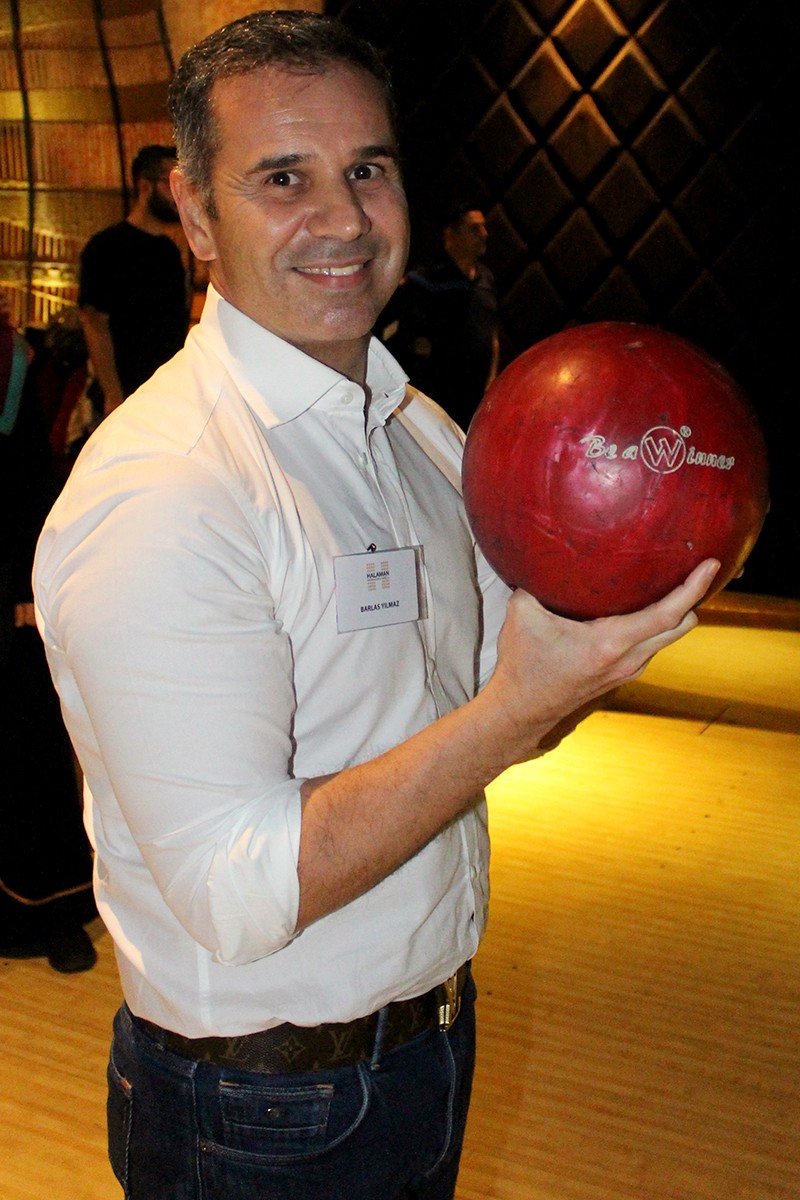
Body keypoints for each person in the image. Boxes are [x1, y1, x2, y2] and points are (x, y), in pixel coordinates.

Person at [33, 11, 718, 1198]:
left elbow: (494, 696)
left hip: (423, 1046)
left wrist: (584, 648)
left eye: (367, 169)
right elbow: (237, 893)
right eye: (282, 178)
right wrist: (517, 708)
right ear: (195, 214)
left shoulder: (414, 430)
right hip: (256, 1113)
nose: (343, 218)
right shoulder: (166, 491)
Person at [0, 290, 97, 974]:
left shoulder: (12, 360)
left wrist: (27, 586)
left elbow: (31, 477)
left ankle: (52, 909)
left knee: (27, 738)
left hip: (7, 578)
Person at [78, 144, 190, 416]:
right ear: (144, 187)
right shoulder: (106, 247)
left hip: (163, 394)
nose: (179, 195)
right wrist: (113, 394)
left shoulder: (168, 251)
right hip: (124, 394)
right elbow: (94, 323)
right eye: (170, 184)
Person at [380, 201, 499, 429]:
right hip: (436, 401)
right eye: (474, 229)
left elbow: (491, 333)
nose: (484, 234)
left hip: (476, 398)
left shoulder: (486, 279)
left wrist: (492, 380)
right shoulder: (423, 282)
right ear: (451, 235)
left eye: (484, 227)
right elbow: (392, 334)